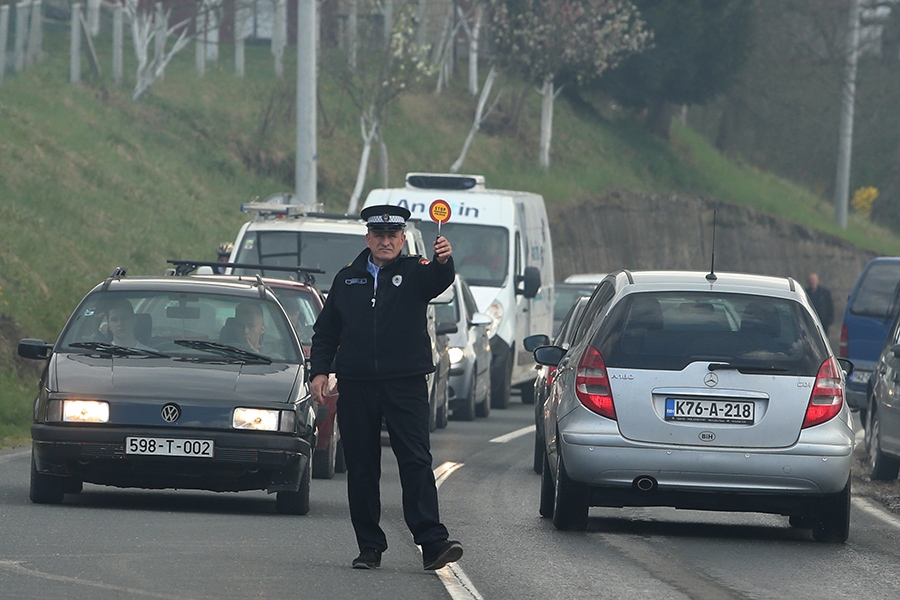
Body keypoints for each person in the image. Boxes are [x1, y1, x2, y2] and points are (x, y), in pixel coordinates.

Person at [309, 204, 463, 572]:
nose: (386, 242)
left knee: (416, 461)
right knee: (362, 467)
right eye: (379, 236)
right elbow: (326, 332)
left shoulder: (415, 272)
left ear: (403, 239)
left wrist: (444, 261)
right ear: (368, 238)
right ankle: (369, 547)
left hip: (405, 384)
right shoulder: (348, 279)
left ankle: (432, 542)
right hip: (357, 385)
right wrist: (319, 373)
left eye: (393, 236)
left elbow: (439, 281)